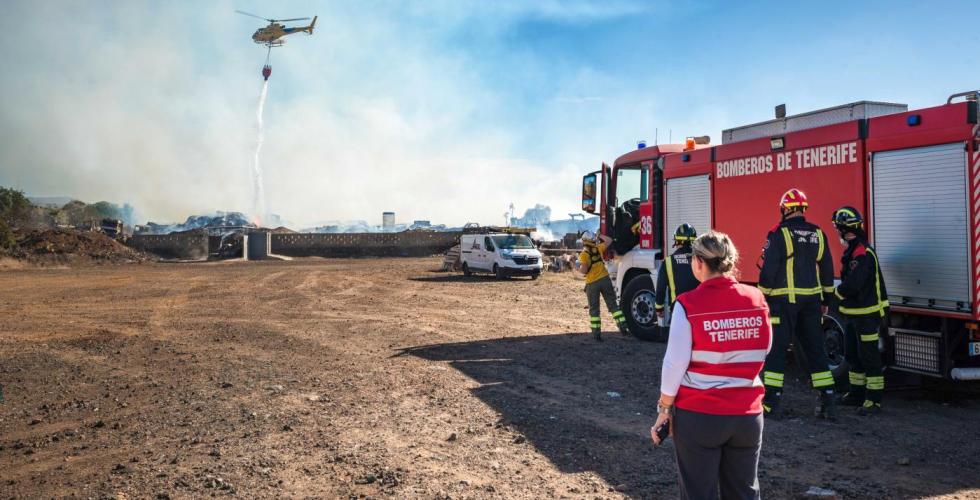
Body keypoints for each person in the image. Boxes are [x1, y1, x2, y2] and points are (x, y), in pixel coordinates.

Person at [651, 230, 772, 500]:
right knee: (744, 493)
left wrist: (664, 410)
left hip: (700, 416)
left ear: (698, 263)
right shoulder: (757, 300)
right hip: (747, 417)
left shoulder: (688, 305)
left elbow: (674, 364)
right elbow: (765, 349)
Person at [758, 188, 838, 420]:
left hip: (783, 303)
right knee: (816, 350)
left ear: (785, 209)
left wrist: (762, 297)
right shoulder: (818, 234)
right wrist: (826, 299)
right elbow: (827, 269)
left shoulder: (779, 234)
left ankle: (772, 404)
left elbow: (769, 270)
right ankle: (828, 401)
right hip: (812, 303)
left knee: (777, 352)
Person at [831, 206, 889, 416]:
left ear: (844, 228)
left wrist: (835, 296)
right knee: (853, 354)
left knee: (869, 356)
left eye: (837, 227)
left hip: (867, 314)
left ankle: (874, 400)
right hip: (854, 313)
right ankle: (856, 394)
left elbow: (854, 283)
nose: (836, 232)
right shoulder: (853, 249)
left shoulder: (861, 251)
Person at [574, 230, 628, 341]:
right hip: (605, 280)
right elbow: (609, 240)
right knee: (613, 306)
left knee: (594, 310)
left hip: (592, 284)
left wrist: (576, 268)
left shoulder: (583, 255)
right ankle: (623, 328)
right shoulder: (598, 248)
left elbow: (584, 271)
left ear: (584, 241)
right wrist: (599, 235)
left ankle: (596, 334)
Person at [655, 223, 700, 323]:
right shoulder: (701, 259)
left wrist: (659, 308)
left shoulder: (668, 262)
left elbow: (660, 288)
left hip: (678, 311)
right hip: (698, 311)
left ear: (677, 241)